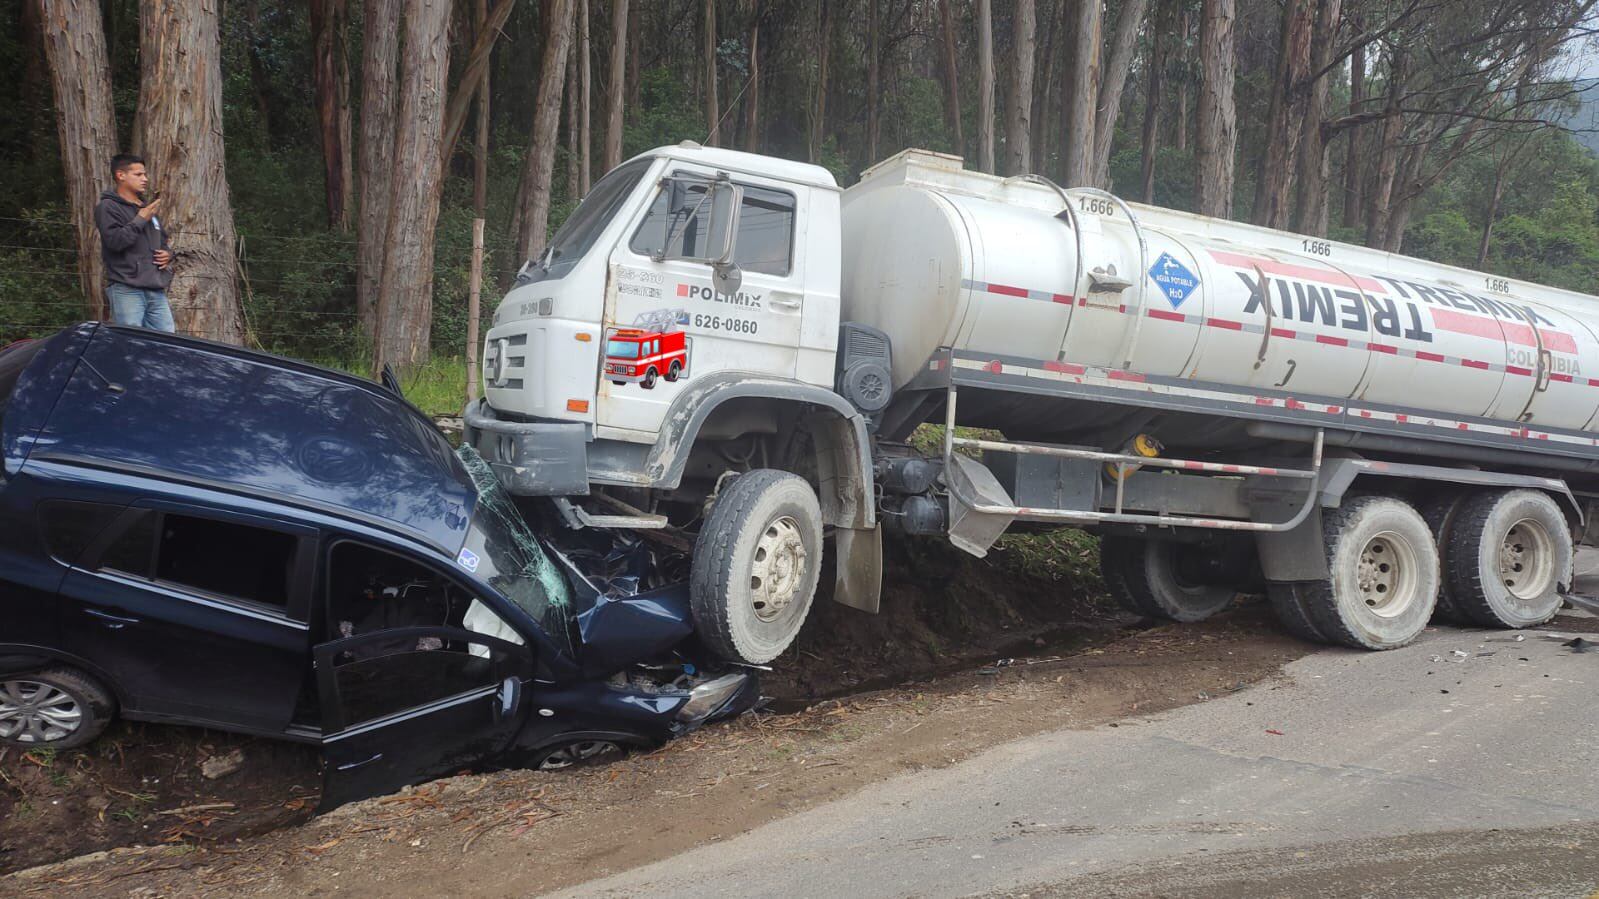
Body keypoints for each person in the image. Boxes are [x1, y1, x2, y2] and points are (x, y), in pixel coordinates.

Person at [94, 154, 175, 332]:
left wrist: (168, 254)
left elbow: (163, 241)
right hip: (127, 289)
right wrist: (140, 219)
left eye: (145, 175)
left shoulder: (146, 208)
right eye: (138, 175)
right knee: (129, 345)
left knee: (167, 346)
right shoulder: (108, 207)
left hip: (156, 289)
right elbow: (115, 242)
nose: (145, 179)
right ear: (120, 175)